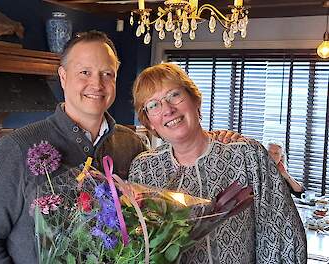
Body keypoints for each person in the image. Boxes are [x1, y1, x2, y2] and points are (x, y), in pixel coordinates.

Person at [0, 31, 242, 263]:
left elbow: (152, 218)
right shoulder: (18, 147)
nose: (97, 83)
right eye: (85, 72)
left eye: (107, 74)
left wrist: (216, 139)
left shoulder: (132, 146)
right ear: (63, 76)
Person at [128, 63, 307, 263]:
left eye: (174, 95)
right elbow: (137, 246)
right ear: (150, 122)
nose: (168, 109)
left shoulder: (247, 156)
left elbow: (282, 237)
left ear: (195, 100)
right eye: (153, 105)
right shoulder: (143, 169)